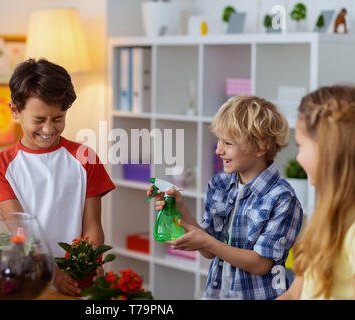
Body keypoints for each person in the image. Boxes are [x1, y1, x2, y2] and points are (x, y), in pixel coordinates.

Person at [148, 95, 303, 300]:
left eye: (228, 143)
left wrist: (208, 242)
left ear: (261, 147)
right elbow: (209, 251)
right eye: (218, 140)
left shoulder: (282, 198)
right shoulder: (219, 185)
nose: (219, 150)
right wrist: (180, 209)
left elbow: (261, 264)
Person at [0, 58, 115, 296]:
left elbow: (93, 225)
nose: (48, 129)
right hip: (28, 279)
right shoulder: (0, 166)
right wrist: (53, 273)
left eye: (57, 119)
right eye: (39, 120)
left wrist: (87, 264)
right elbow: (19, 231)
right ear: (15, 110)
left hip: (77, 280)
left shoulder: (86, 158)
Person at [277, 85, 355, 300]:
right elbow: (294, 295)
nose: (298, 158)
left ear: (327, 149)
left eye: (300, 146)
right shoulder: (325, 217)